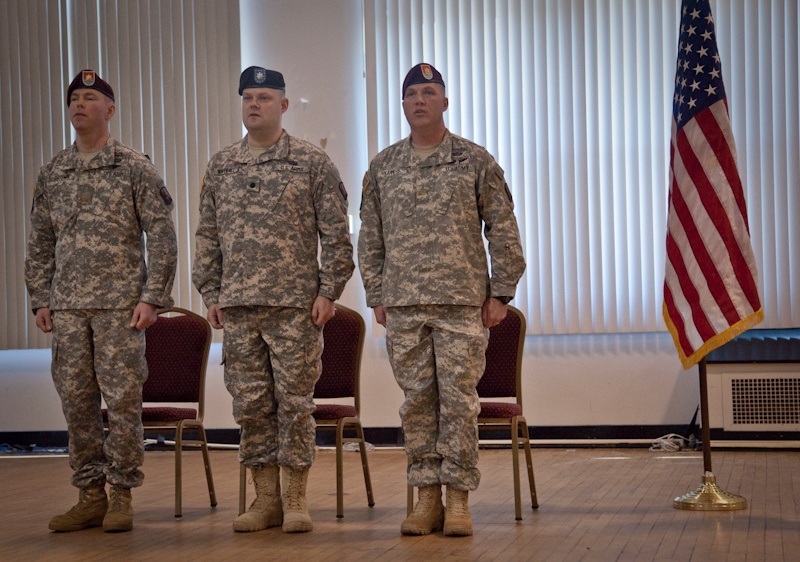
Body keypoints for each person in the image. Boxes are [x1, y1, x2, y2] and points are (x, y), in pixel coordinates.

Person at [358, 63, 526, 537]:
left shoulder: (474, 160)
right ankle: (424, 498)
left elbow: (503, 226)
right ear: (404, 103)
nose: (419, 100)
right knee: (417, 404)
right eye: (411, 93)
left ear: (445, 102)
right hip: (406, 304)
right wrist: (377, 293)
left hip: (460, 304)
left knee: (457, 403)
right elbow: (370, 236)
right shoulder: (384, 166)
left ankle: (457, 501)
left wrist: (501, 292)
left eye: (429, 92)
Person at [192, 66, 354, 534]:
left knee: (295, 404)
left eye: (264, 97)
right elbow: (208, 236)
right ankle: (265, 499)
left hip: (295, 308)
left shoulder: (310, 162)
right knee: (251, 405)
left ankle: (296, 498)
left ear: (283, 105)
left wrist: (329, 290)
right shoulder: (222, 165)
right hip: (239, 307)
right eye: (248, 97)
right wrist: (211, 292)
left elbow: (336, 235)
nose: (254, 105)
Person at [25, 70, 178, 533]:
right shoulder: (54, 171)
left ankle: (121, 496)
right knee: (76, 402)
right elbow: (40, 240)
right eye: (74, 97)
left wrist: (153, 298)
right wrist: (40, 298)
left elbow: (163, 237)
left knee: (123, 402)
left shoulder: (133, 166)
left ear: (109, 110)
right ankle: (89, 494)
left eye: (90, 97)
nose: (79, 104)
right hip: (69, 307)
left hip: (119, 308)